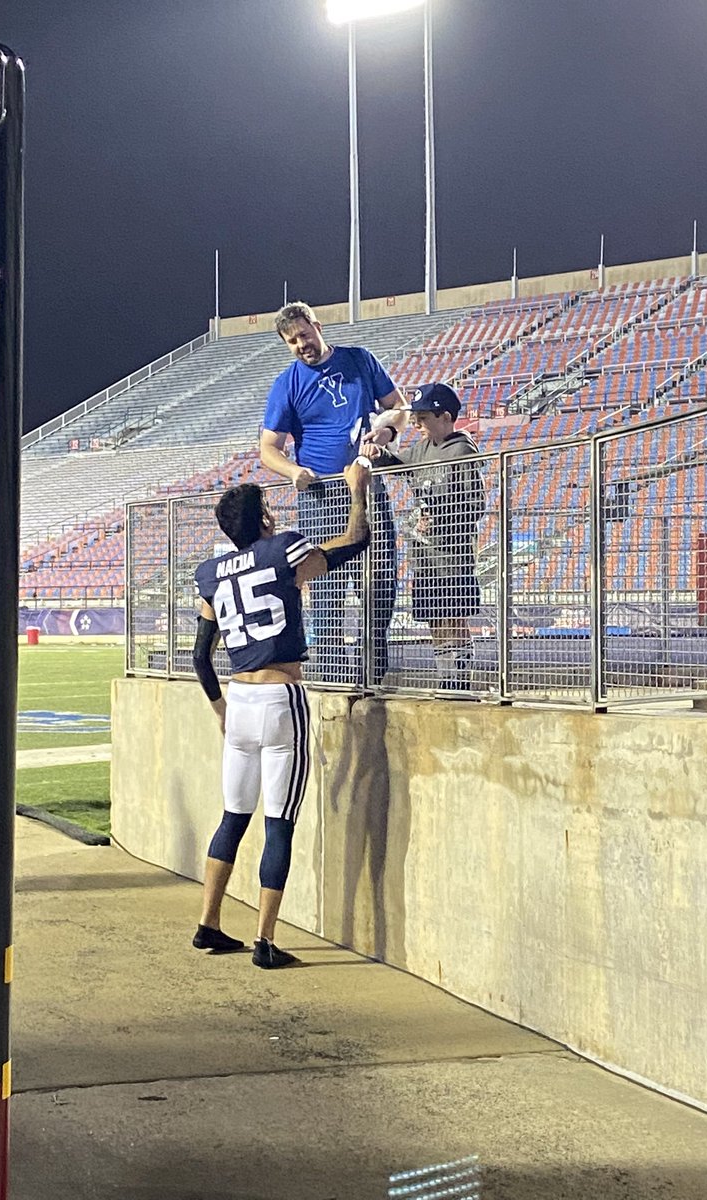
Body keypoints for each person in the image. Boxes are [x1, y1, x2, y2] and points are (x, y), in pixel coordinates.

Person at [191, 461, 372, 968]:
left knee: (232, 817)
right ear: (265, 519)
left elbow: (200, 656)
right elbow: (352, 542)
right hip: (279, 698)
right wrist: (358, 493)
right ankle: (266, 941)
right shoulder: (281, 549)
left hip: (240, 702)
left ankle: (208, 924)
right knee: (279, 824)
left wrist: (221, 709)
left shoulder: (211, 574)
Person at [259, 301, 406, 683]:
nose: (300, 345)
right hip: (320, 496)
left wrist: (387, 432)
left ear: (318, 327)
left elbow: (399, 407)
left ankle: (374, 666)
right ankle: (332, 675)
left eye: (304, 335)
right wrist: (293, 471)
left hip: (365, 486)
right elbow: (267, 449)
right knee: (325, 588)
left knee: (380, 581)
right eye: (291, 341)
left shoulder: (360, 360)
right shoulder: (286, 385)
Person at [362, 382, 484, 691]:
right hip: (425, 557)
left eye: (423, 418)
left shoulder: (461, 450)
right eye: (414, 418)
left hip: (452, 557)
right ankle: (446, 675)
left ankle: (460, 679)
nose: (416, 425)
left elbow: (476, 505)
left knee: (453, 617)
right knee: (435, 618)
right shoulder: (422, 449)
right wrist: (379, 452)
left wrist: (440, 518)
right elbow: (398, 465)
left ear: (444, 417)